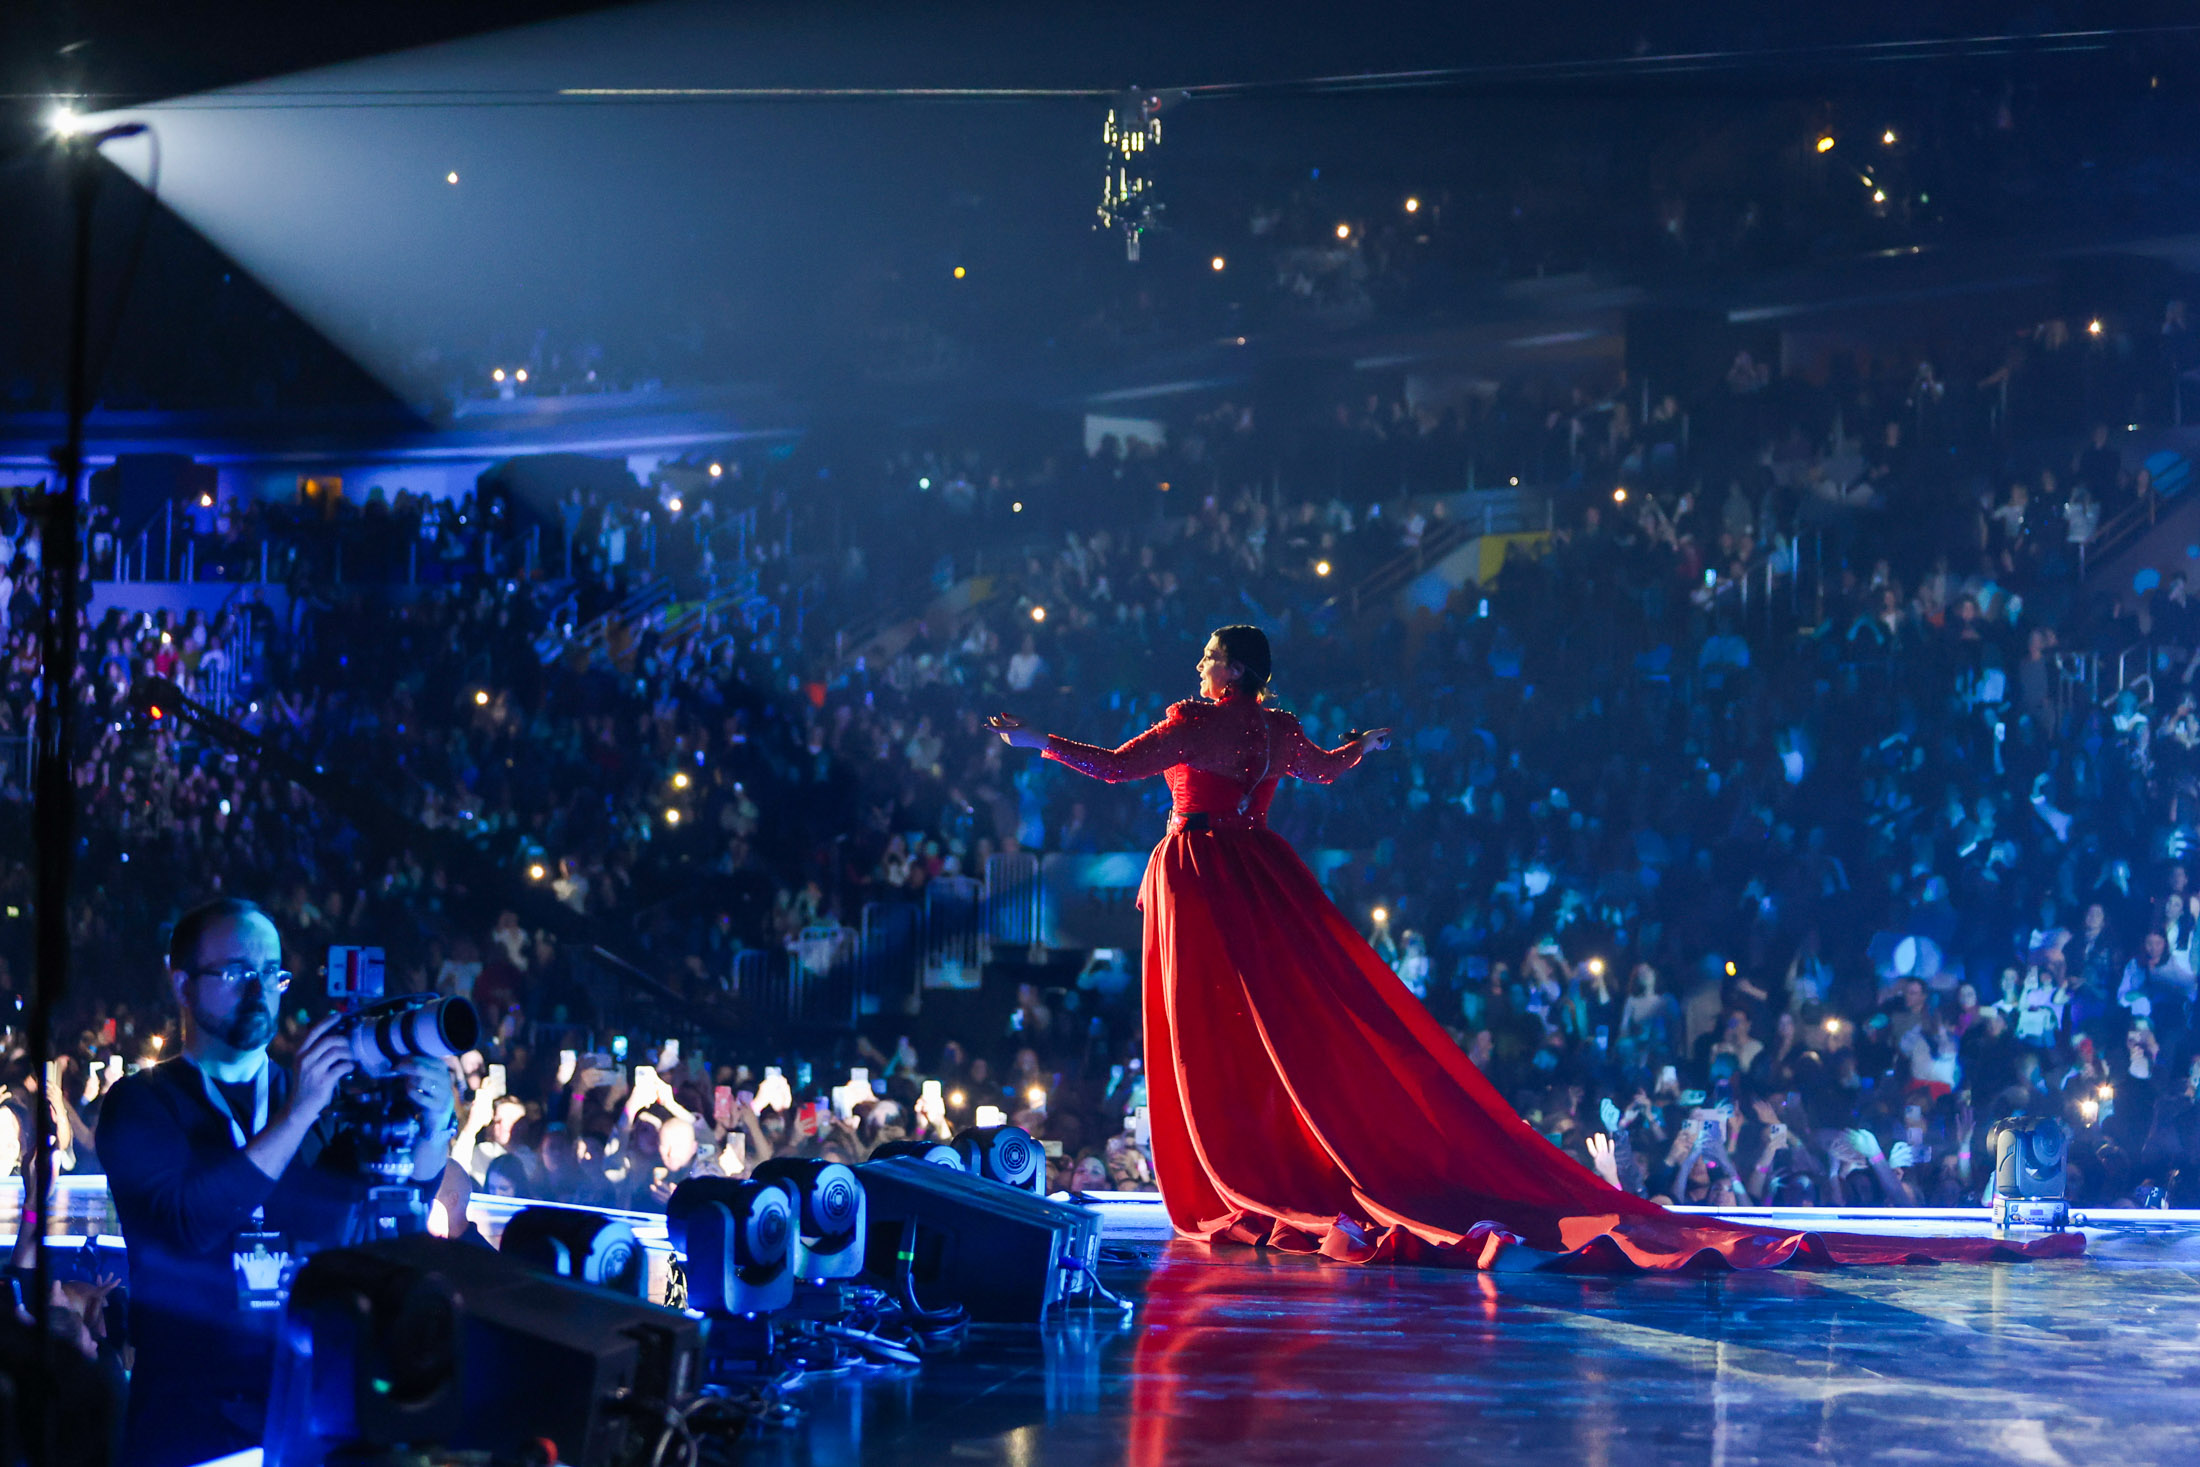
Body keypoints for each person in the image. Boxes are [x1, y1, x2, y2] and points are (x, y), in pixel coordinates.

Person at [991, 626, 2080, 1272]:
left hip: (1199, 876)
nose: (1206, 664)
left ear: (1226, 668)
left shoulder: (1194, 723)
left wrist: (1036, 741)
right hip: (1260, 878)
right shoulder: (1274, 731)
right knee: (1285, 1027)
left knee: (1216, 1032)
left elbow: (1111, 766)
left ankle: (1241, 1169)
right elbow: (1322, 771)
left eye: (1212, 655)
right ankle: (1283, 1153)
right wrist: (1360, 748)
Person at [98, 898, 456, 1467]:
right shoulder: (139, 1105)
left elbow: (388, 1215)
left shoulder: (314, 1097)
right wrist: (298, 1114)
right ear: (183, 984)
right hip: (188, 1414)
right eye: (237, 972)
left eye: (271, 973)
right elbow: (190, 1224)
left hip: (309, 1401)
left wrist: (435, 1127)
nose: (259, 989)